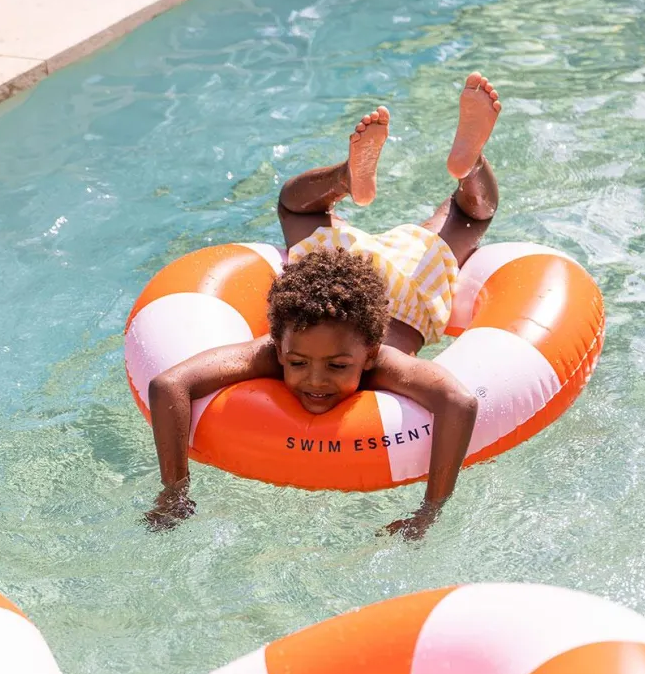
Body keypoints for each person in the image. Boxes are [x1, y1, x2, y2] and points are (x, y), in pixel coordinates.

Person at [146, 72, 502, 539]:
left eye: (337, 366)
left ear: (369, 354)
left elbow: (460, 402)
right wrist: (172, 492)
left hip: (407, 291)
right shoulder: (293, 349)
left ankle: (349, 179)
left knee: (304, 209)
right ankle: (467, 166)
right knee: (463, 215)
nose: (315, 379)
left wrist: (430, 510)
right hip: (359, 271)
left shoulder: (378, 362)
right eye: (297, 362)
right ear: (279, 345)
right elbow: (166, 385)